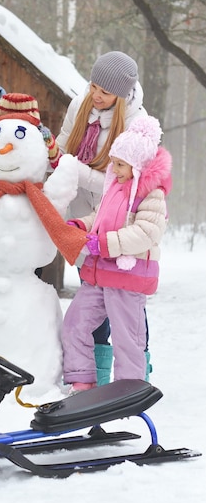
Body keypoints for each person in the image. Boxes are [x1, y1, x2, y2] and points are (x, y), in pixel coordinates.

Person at [56, 51, 149, 384]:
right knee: (91, 299)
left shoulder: (137, 124)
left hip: (121, 223)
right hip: (86, 217)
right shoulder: (80, 106)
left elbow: (121, 184)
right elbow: (65, 147)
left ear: (122, 97)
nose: (96, 95)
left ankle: (138, 372)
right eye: (93, 85)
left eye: (105, 92)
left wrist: (73, 170)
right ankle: (95, 374)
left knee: (124, 302)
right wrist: (54, 157)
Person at [61, 116, 172, 395]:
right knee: (75, 323)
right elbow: (100, 217)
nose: (115, 168)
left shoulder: (151, 195)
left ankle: (129, 391)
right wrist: (82, 225)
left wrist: (104, 244)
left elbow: (147, 232)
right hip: (99, 276)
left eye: (121, 164)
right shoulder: (115, 188)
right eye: (114, 162)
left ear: (137, 165)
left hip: (127, 277)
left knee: (127, 338)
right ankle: (82, 382)